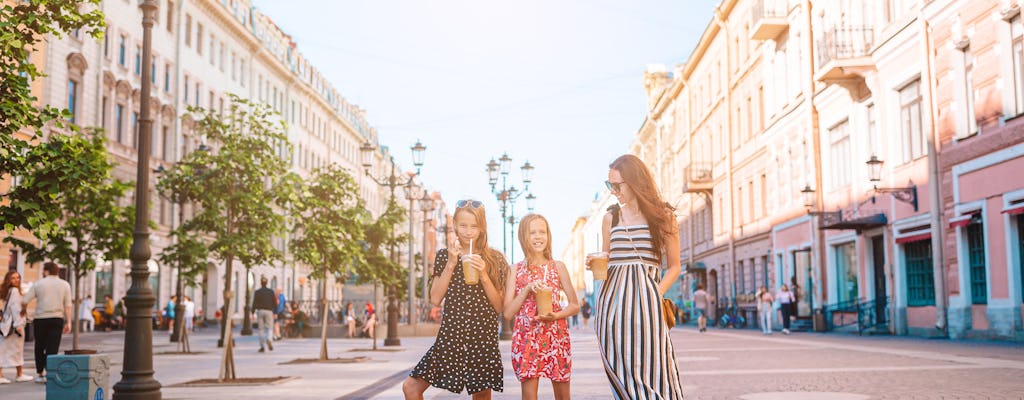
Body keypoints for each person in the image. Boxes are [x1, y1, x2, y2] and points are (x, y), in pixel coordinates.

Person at [585, 155, 684, 399]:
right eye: (610, 186)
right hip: (612, 305)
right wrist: (595, 263)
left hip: (647, 304)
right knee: (618, 366)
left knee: (654, 367)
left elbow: (674, 266)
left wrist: (654, 294)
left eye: (617, 185)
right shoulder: (611, 218)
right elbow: (606, 260)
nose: (613, 191)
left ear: (635, 182)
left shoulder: (663, 216)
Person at [403, 199, 508, 399]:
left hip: (482, 337)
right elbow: (435, 299)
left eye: (474, 226)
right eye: (463, 225)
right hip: (451, 337)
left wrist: (484, 274)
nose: (468, 231)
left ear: (482, 228)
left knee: (482, 396)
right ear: (455, 227)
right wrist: (451, 263)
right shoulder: (444, 256)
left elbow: (499, 306)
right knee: (411, 387)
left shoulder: (495, 259)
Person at [504, 213, 579, 400]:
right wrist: (527, 290)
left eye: (542, 232)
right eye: (532, 233)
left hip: (556, 335)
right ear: (523, 237)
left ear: (548, 235)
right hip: (526, 336)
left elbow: (574, 305)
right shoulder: (515, 270)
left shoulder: (558, 267)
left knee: (563, 396)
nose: (538, 237)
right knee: (529, 396)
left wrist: (556, 315)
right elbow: (507, 313)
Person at [21, 262, 72, 383]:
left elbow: (25, 300)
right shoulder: (65, 284)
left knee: (39, 346)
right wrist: (68, 322)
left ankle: (40, 373)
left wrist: (24, 311)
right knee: (53, 347)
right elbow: (68, 305)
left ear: (46, 271)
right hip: (57, 318)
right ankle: (50, 373)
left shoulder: (39, 283)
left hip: (40, 319)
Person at [0, 271, 33, 383]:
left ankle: (11, 374)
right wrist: (19, 325)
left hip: (6, 324)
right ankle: (19, 374)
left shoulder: (6, 291)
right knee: (17, 350)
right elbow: (16, 310)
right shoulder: (14, 291)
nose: (16, 280)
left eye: (18, 278)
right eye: (13, 278)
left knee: (4, 349)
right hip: (14, 326)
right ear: (8, 279)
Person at [252, 277, 277, 352]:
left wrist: (252, 312)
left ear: (261, 283)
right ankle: (269, 339)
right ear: (267, 283)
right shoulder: (271, 292)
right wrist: (275, 312)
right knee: (269, 328)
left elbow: (254, 303)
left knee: (261, 329)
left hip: (260, 311)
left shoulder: (257, 292)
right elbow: (274, 303)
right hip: (269, 311)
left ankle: (262, 346)